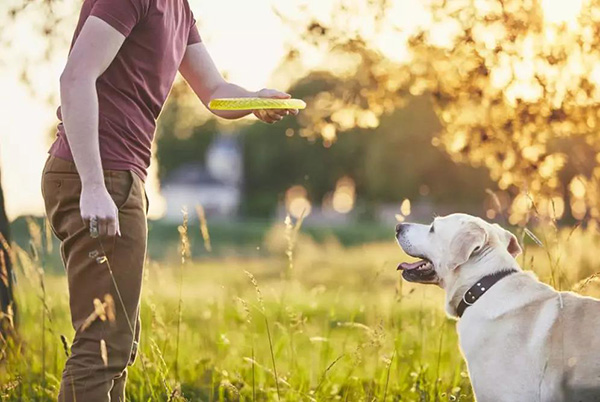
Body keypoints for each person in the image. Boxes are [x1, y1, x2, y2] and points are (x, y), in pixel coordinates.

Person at [41, 0, 297, 400]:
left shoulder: (178, 8)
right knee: (102, 346)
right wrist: (93, 185)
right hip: (99, 173)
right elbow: (75, 77)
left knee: (119, 344)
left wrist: (253, 100)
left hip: (119, 177)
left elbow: (214, 92)